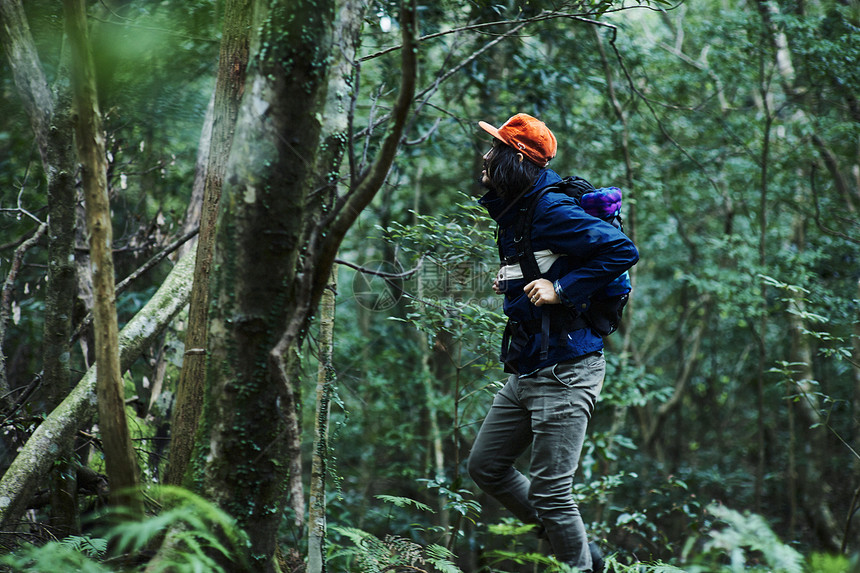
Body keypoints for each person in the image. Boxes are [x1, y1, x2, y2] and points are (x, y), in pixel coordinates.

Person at [467, 113, 639, 572]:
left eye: (496, 149)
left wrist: (561, 290)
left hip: (566, 371)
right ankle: (581, 550)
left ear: (515, 160)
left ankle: (579, 564)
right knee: (486, 467)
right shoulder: (517, 209)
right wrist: (516, 280)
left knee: (551, 491)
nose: (486, 156)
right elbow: (542, 263)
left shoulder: (549, 209)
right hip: (529, 365)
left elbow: (622, 250)